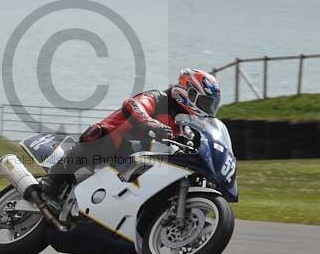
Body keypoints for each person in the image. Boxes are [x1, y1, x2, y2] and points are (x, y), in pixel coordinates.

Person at [38, 68, 222, 199]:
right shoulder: (159, 98)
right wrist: (149, 122)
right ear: (188, 92)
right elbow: (133, 104)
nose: (207, 109)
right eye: (205, 103)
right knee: (102, 138)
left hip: (136, 160)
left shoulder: (182, 124)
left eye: (211, 105)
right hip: (114, 141)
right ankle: (51, 181)